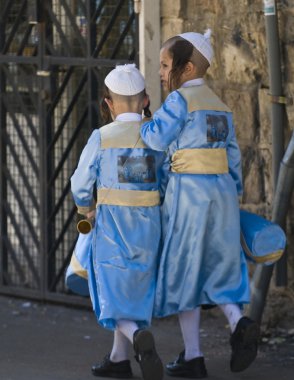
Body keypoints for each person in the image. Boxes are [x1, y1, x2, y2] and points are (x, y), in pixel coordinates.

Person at [140, 29, 260, 378]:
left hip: (188, 195)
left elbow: (156, 139)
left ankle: (194, 356)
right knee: (219, 267)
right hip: (221, 194)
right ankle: (239, 322)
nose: (161, 73)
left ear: (187, 68)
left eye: (164, 65)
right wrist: (230, 193)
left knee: (184, 271)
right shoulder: (221, 108)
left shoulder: (179, 101)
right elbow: (234, 159)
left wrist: (144, 118)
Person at [71, 64, 167, 380]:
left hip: (112, 227)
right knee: (135, 290)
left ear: (109, 103)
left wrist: (87, 208)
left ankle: (136, 336)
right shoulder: (157, 137)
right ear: (144, 100)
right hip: (150, 227)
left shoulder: (102, 137)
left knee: (110, 291)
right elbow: (167, 182)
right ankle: (118, 359)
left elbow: (80, 182)